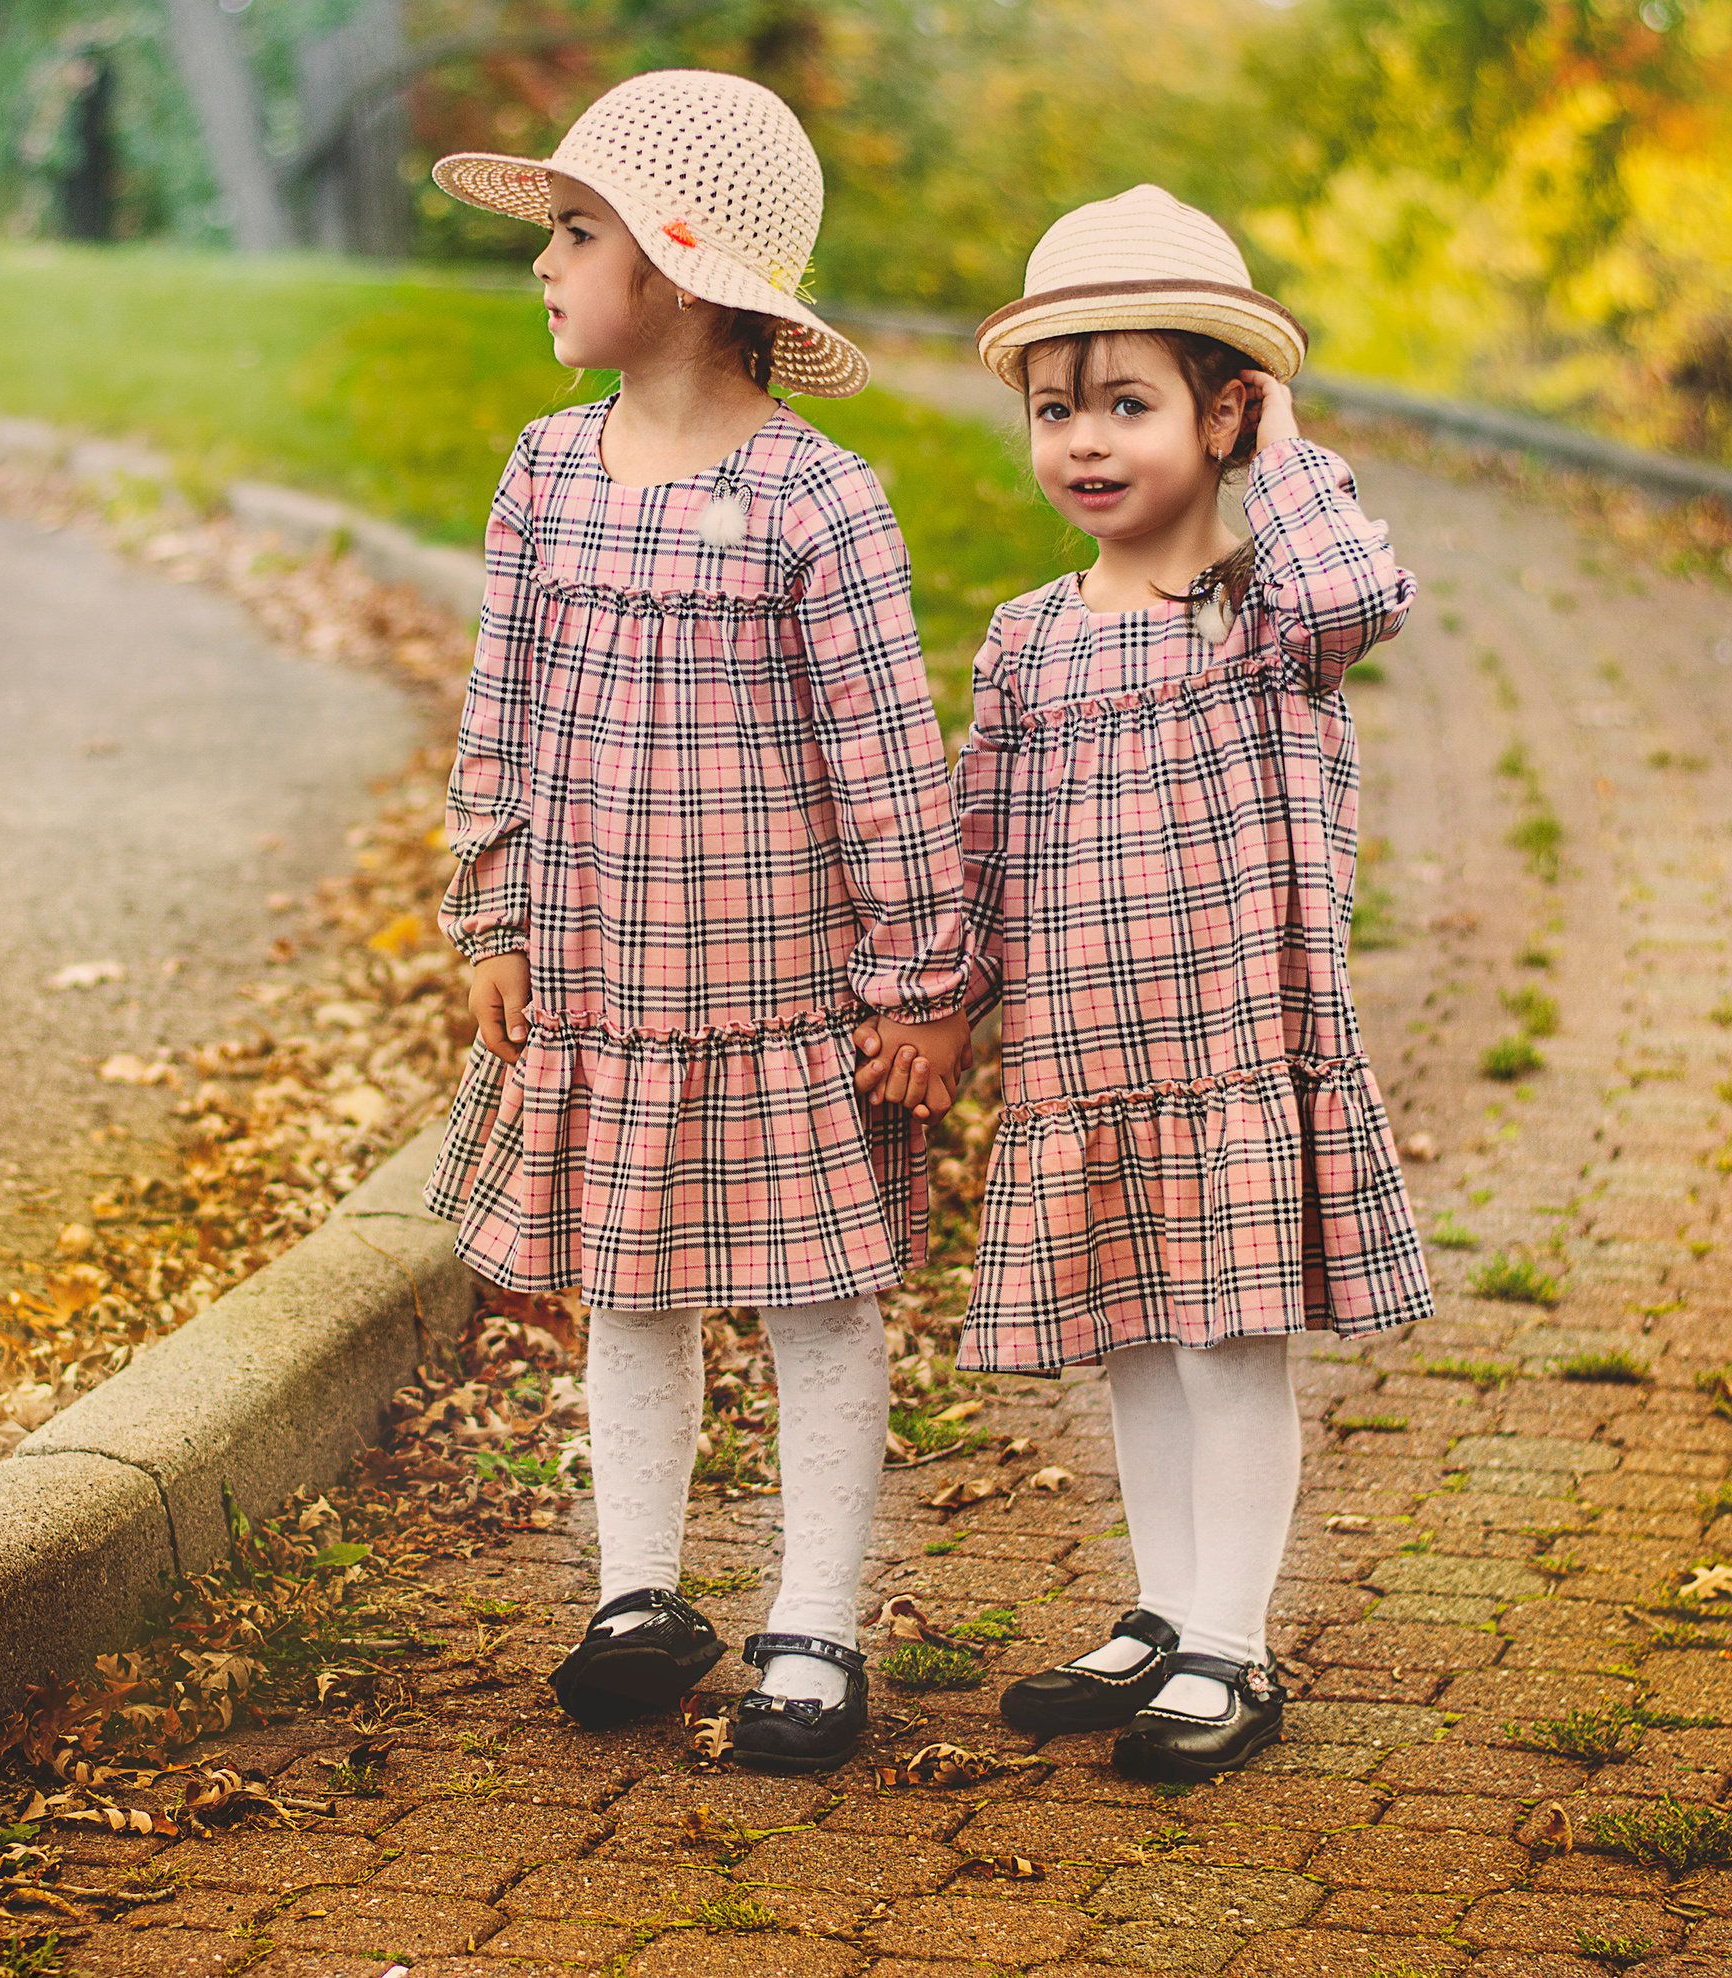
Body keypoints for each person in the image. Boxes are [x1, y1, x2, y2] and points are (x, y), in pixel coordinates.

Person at [421, 69, 968, 1775]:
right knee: (628, 1284)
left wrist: (920, 982)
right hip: (601, 980)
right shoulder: (546, 473)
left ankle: (816, 1619)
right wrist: (495, 908)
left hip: (782, 996)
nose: (544, 265)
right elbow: (498, 704)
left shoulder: (816, 502)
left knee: (815, 1301)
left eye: (575, 234)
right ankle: (638, 1594)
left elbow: (890, 757)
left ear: (677, 263)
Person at [953, 185, 1431, 1782]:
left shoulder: (1265, 617)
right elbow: (981, 841)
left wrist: (1279, 445)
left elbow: (1361, 589)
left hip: (1229, 1049)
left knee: (1230, 1349)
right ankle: (1167, 1609)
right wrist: (947, 995)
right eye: (1056, 409)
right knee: (1141, 1346)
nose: (1087, 442)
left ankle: (1236, 1641)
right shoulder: (1025, 642)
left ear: (1224, 413)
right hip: (1088, 1057)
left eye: (1131, 404)